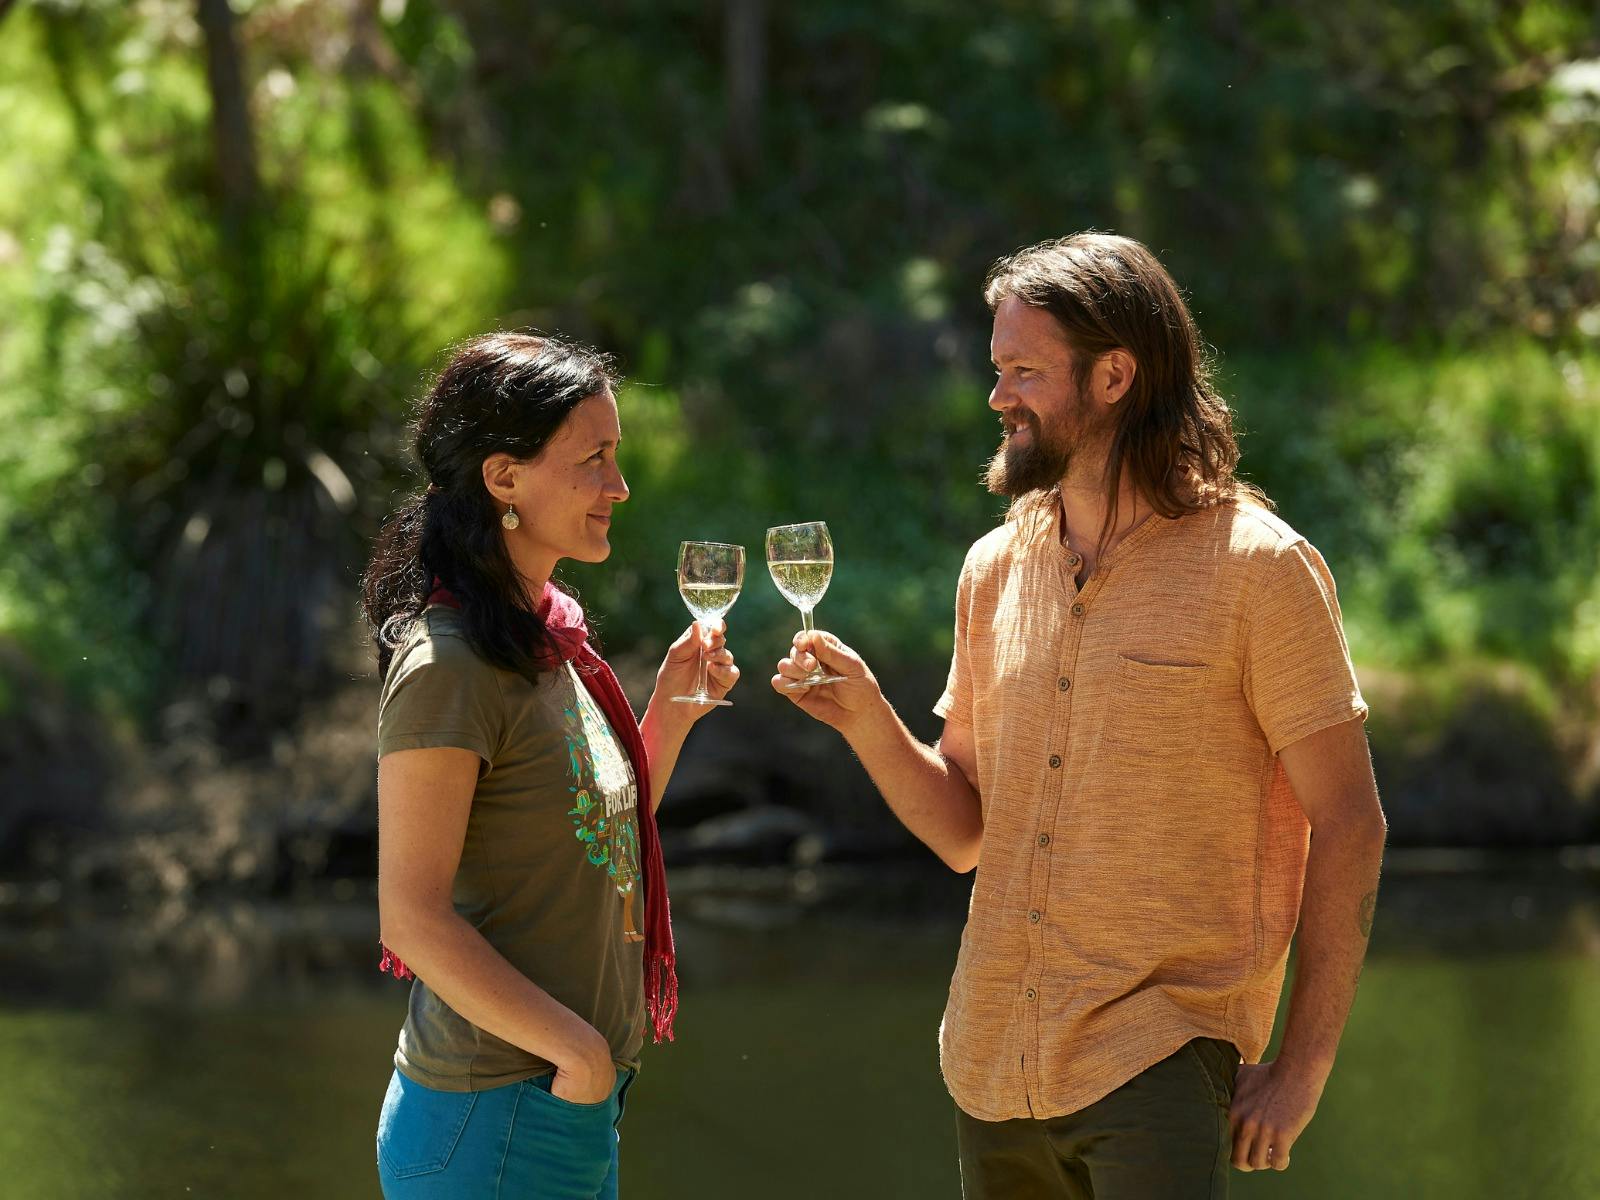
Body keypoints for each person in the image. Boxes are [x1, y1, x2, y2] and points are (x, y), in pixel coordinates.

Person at [773, 233, 1387, 1198]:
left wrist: (1301, 1069)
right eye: (998, 369)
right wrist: (867, 721)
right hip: (988, 1066)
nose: (998, 396)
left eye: (1024, 371)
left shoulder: (1261, 571)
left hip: (1158, 1058)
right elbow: (967, 831)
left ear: (1114, 376)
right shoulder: (993, 569)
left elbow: (1351, 821)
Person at [361, 331, 738, 1199]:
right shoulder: (448, 665)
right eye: (593, 459)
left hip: (561, 1107)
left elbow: (595, 832)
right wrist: (578, 1053)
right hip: (494, 1116)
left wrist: (670, 713)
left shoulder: (545, 640)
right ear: (504, 478)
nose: (620, 485)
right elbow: (410, 918)